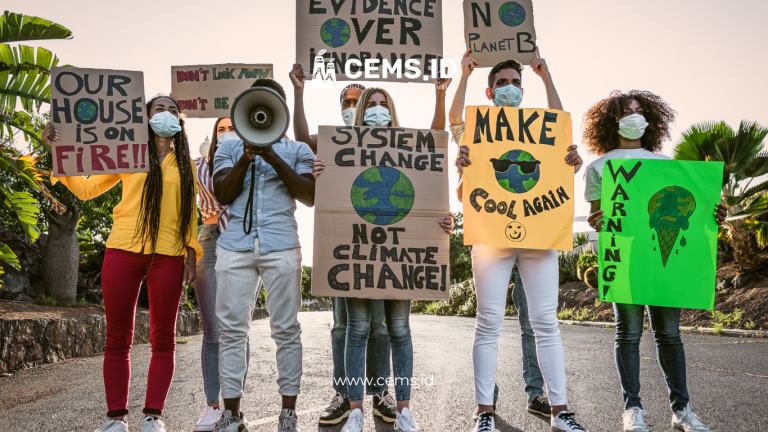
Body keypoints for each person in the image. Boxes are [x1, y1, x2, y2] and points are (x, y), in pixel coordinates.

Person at [289, 64, 452, 426]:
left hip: (397, 252)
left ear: (392, 111)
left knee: (395, 330)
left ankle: (396, 405)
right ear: (359, 112)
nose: (378, 110)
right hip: (357, 249)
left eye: (384, 104)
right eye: (370, 104)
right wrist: (298, 92)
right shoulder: (339, 144)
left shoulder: (408, 143)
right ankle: (353, 407)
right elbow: (302, 137)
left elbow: (435, 140)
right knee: (353, 329)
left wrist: (440, 96)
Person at [43, 95, 202, 432]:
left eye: (173, 110)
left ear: (180, 120)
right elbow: (86, 189)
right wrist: (57, 150)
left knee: (164, 338)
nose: (167, 114)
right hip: (122, 249)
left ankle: (152, 417)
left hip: (169, 255)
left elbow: (190, 212)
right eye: (159, 109)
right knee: (117, 337)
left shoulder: (186, 164)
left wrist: (191, 253)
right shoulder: (128, 154)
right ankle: (115, 419)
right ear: (144, 117)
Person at [450, 49, 589, 432]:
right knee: (488, 323)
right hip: (491, 236)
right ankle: (484, 412)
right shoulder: (476, 130)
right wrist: (463, 77)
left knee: (546, 322)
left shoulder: (543, 127)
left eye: (515, 83)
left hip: (539, 233)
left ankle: (561, 411)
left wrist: (546, 78)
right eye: (501, 84)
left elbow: (560, 125)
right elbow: (455, 123)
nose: (509, 88)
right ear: (490, 92)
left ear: (523, 90)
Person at [583, 90, 727, 432]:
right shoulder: (599, 168)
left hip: (667, 263)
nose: (635, 117)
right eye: (627, 112)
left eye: (640, 111)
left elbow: (695, 210)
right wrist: (597, 222)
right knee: (627, 334)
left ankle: (682, 411)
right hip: (626, 259)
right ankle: (632, 410)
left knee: (669, 335)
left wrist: (715, 213)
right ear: (611, 122)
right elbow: (597, 218)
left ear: (651, 121)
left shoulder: (667, 166)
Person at [289, 66, 396, 426]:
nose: (354, 106)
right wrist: (299, 91)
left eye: (358, 100)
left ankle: (380, 391)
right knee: (342, 326)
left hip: (382, 246)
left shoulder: (394, 141)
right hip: (343, 246)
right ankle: (344, 393)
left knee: (379, 326)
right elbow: (301, 137)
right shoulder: (332, 139)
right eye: (346, 102)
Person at [210, 78, 315, 432]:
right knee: (231, 331)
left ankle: (288, 412)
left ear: (281, 112)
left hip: (282, 245)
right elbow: (223, 192)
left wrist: (270, 152)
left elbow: (308, 195)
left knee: (286, 328)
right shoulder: (227, 147)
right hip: (234, 246)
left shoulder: (299, 151)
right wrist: (246, 155)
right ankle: (232, 413)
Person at [192, 117, 252, 432]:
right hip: (210, 239)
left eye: (232, 128)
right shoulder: (200, 164)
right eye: (221, 129)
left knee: (237, 329)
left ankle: (234, 407)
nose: (227, 133)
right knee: (213, 329)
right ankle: (212, 406)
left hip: (240, 240)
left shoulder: (253, 161)